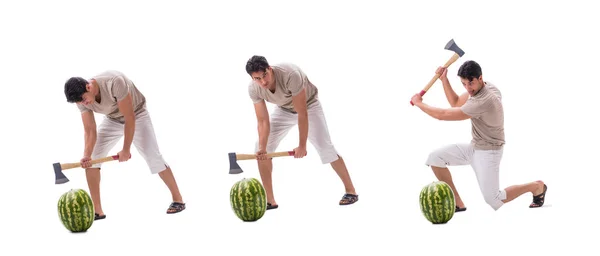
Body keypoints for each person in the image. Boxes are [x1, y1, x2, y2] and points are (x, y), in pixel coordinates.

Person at [410, 60, 547, 212]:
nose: (468, 88)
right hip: (474, 147)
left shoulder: (484, 101)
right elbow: (456, 103)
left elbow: (443, 115)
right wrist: (444, 80)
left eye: (471, 83)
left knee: (494, 200)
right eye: (463, 84)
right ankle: (457, 202)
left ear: (480, 78)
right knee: (435, 158)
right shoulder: (484, 88)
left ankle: (537, 186)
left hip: (489, 152)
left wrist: (419, 103)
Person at [63, 70, 185, 220]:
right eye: (80, 102)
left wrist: (126, 149)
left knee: (153, 156)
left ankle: (178, 199)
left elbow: (130, 118)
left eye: (84, 100)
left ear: (88, 87)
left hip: (137, 114)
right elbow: (90, 130)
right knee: (94, 159)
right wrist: (86, 155)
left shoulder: (114, 82)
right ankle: (97, 211)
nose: (83, 104)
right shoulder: (81, 100)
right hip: (112, 119)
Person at [245, 55, 358, 209]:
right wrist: (263, 148)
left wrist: (302, 145)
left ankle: (351, 191)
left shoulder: (290, 74)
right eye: (257, 78)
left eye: (265, 75)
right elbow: (263, 121)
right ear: (252, 78)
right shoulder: (254, 89)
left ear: (269, 69)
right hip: (284, 109)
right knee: (260, 149)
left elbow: (302, 113)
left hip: (309, 105)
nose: (263, 81)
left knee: (325, 147)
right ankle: (270, 201)